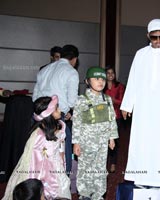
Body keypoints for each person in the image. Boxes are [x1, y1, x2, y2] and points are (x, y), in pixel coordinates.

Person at [120, 18, 160, 187]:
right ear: (148, 36)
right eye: (154, 37)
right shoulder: (140, 54)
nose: (158, 41)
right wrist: (127, 104)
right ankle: (141, 180)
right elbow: (132, 79)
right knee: (142, 142)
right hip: (144, 107)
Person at [2, 95, 71, 200]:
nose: (60, 110)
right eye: (56, 108)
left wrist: (62, 157)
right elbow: (37, 162)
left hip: (57, 164)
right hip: (45, 171)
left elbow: (61, 143)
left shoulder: (60, 126)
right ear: (49, 114)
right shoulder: (39, 137)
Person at [72, 66, 118, 200]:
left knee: (100, 169)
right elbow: (77, 123)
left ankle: (99, 194)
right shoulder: (81, 100)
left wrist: (112, 137)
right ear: (87, 81)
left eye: (102, 79)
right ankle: (85, 194)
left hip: (102, 143)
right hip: (86, 142)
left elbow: (111, 119)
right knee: (85, 169)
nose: (100, 82)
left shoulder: (107, 99)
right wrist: (76, 143)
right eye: (96, 78)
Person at [33, 44, 79, 174]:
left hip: (39, 117)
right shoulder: (71, 71)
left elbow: (35, 96)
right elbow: (72, 101)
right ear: (75, 59)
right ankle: (62, 182)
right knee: (61, 153)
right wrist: (67, 110)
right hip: (57, 118)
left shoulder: (44, 70)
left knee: (40, 151)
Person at [103, 66, 125, 173]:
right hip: (103, 117)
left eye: (112, 73)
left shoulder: (119, 86)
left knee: (114, 140)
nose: (110, 75)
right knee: (103, 140)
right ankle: (103, 163)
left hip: (116, 116)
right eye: (108, 73)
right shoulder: (101, 85)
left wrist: (113, 100)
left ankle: (113, 163)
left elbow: (122, 101)